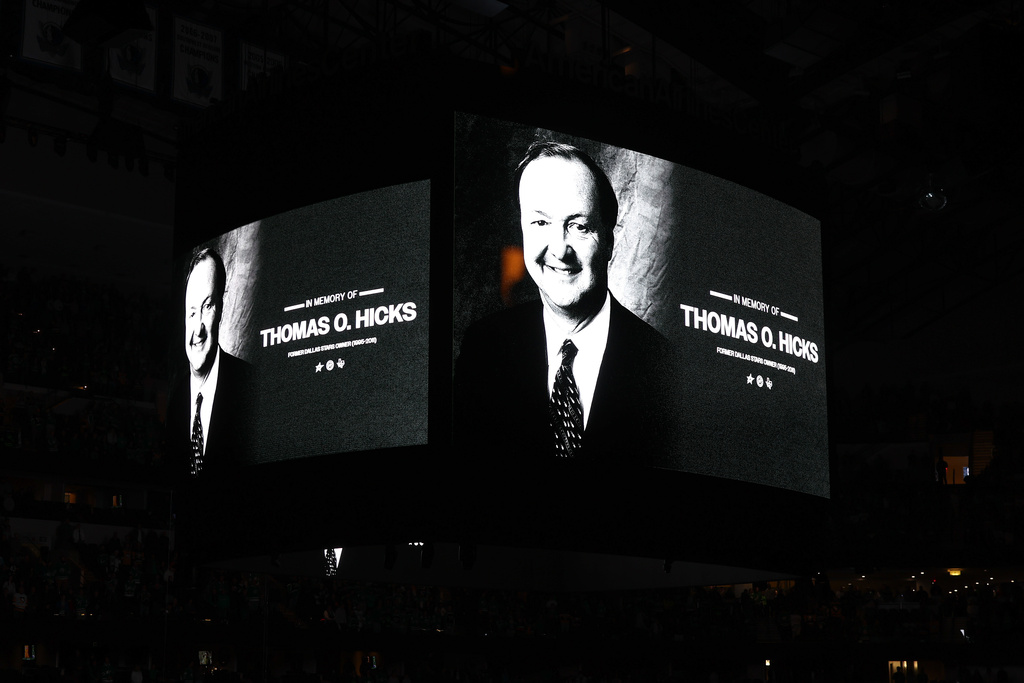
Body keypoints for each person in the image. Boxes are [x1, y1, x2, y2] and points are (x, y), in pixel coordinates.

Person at [453, 141, 677, 465]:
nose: (559, 250)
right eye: (540, 223)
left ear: (609, 240)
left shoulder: (665, 369)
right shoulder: (483, 349)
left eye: (578, 226)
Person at [170, 247, 254, 478]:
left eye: (207, 307)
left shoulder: (251, 389)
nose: (197, 329)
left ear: (221, 309)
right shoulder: (174, 403)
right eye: (192, 312)